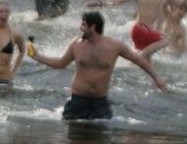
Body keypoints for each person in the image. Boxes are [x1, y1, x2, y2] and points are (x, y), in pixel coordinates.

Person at [30, 11, 167, 120]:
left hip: (100, 103)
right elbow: (61, 63)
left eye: (83, 25)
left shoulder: (115, 46)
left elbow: (139, 60)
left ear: (93, 27)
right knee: (73, 143)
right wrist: (38, 57)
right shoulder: (76, 44)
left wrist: (156, 77)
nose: (80, 28)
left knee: (99, 142)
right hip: (78, 100)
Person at [88, 0, 187, 58]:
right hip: (139, 29)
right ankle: (137, 58)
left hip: (149, 31)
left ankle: (133, 60)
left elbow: (179, 3)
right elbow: (118, 1)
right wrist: (100, 3)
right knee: (164, 41)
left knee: (147, 61)